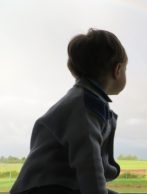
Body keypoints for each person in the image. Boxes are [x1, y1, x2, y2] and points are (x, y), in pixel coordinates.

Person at [9, 28, 128, 194]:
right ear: (117, 70)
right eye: (125, 70)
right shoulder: (86, 107)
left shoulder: (84, 100)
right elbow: (89, 167)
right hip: (45, 188)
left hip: (51, 184)